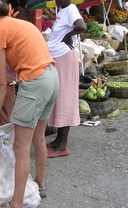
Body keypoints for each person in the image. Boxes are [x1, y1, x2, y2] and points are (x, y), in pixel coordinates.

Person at [0, 0, 59, 208]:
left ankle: (16, 205)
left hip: (35, 83)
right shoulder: (20, 23)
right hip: (51, 77)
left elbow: (1, 83)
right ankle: (39, 186)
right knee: (38, 139)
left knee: (19, 148)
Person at [46, 0, 87, 158]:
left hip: (65, 56)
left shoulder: (70, 9)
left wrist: (67, 37)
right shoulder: (63, 10)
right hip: (59, 55)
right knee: (58, 97)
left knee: (65, 99)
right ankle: (58, 140)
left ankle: (62, 146)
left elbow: (81, 26)